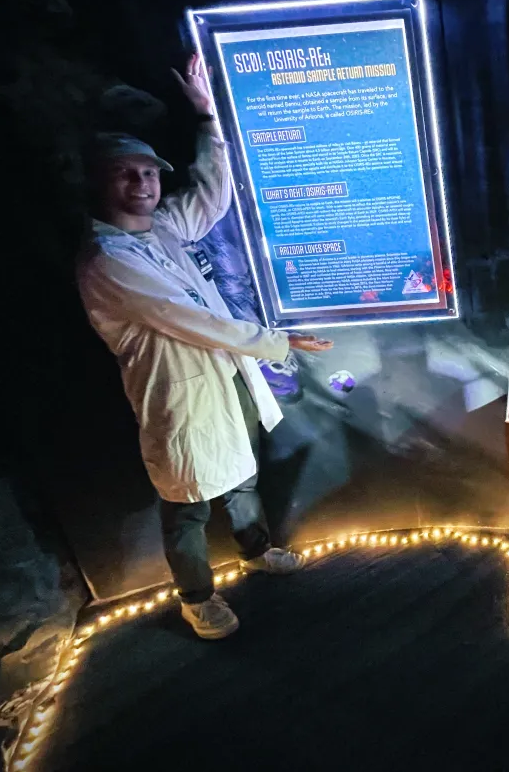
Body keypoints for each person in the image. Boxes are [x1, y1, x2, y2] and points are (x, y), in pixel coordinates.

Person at [78, 55, 333, 640]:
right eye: (126, 173)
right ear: (99, 180)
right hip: (178, 393)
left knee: (241, 473)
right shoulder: (107, 260)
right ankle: (197, 598)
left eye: (149, 172)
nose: (142, 183)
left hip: (226, 376)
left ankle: (256, 550)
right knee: (188, 497)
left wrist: (208, 117)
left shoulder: (163, 227)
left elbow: (213, 192)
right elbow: (185, 319)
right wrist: (276, 342)